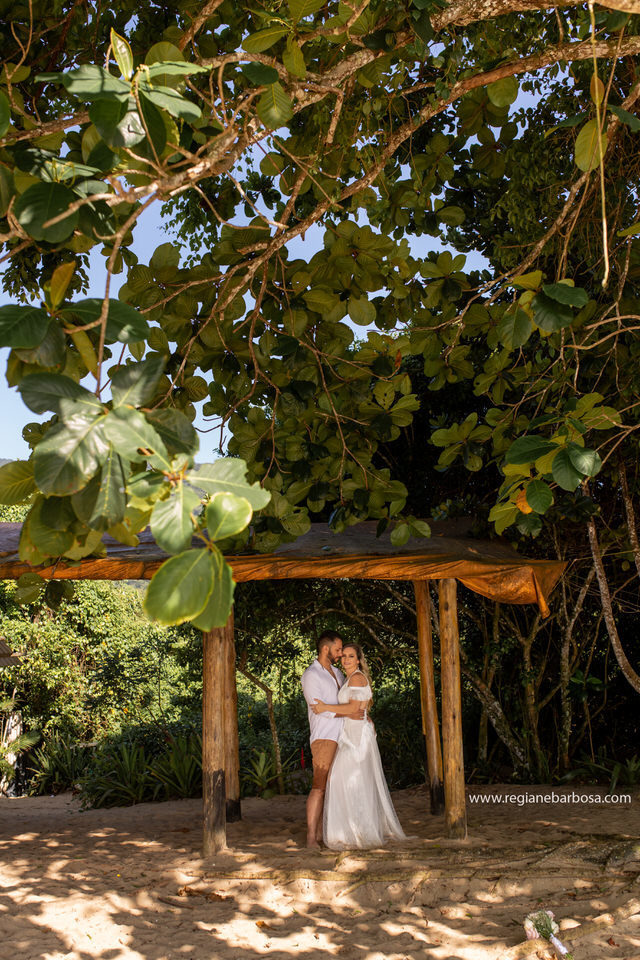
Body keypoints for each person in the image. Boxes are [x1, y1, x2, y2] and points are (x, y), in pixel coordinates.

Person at [311, 642, 406, 850]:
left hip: (356, 738)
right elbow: (357, 707)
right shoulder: (350, 678)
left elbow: (354, 707)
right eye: (343, 655)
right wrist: (364, 716)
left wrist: (324, 707)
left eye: (350, 656)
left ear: (359, 659)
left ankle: (355, 832)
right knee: (347, 781)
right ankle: (350, 832)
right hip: (352, 732)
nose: (345, 659)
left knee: (346, 780)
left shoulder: (356, 677)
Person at [300, 630, 365, 848]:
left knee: (335, 787)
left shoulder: (338, 674)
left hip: (344, 736)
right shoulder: (311, 675)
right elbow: (320, 709)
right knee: (319, 786)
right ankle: (311, 837)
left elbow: (353, 699)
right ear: (326, 649)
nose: (340, 654)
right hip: (325, 736)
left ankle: (323, 834)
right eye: (338, 650)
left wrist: (360, 711)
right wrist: (348, 712)